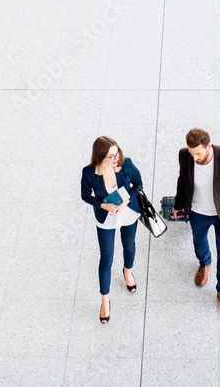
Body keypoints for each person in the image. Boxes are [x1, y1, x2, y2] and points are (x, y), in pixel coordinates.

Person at [173, 128, 220, 314]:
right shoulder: (185, 155)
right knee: (198, 243)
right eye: (192, 153)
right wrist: (178, 204)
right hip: (197, 212)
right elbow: (182, 180)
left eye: (198, 153)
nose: (195, 157)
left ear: (209, 147)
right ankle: (204, 263)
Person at [80, 136, 143, 324]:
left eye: (117, 153)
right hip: (106, 217)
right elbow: (85, 195)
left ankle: (127, 271)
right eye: (110, 156)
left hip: (128, 213)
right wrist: (103, 206)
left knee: (129, 245)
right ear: (100, 157)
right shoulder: (90, 172)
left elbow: (139, 186)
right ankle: (105, 300)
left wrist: (126, 201)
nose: (116, 159)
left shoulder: (126, 164)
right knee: (106, 257)